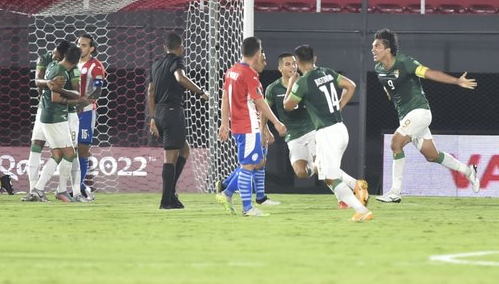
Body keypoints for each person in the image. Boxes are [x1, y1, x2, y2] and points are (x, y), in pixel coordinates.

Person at [372, 28, 480, 203]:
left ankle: (394, 192)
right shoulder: (378, 69)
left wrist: (456, 81)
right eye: (373, 46)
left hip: (420, 112)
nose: (373, 49)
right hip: (406, 116)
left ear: (388, 49)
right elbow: (389, 87)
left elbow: (430, 73)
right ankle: (469, 171)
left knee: (396, 142)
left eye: (377, 46)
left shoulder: (405, 62)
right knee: (432, 156)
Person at [266, 52, 369, 208]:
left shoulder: (304, 82)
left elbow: (288, 106)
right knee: (302, 172)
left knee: (324, 169)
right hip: (293, 136)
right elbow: (264, 109)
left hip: (313, 130)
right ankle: (352, 185)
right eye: (287, 64)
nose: (292, 67)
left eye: (294, 63)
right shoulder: (273, 89)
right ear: (279, 67)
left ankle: (346, 197)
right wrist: (266, 128)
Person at [217, 36, 287, 217]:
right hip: (248, 127)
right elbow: (260, 102)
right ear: (257, 54)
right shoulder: (249, 74)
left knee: (252, 163)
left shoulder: (231, 71)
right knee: (249, 166)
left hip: (238, 126)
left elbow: (225, 98)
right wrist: (276, 123)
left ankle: (226, 193)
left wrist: (224, 123)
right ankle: (247, 208)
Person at [147, 32, 208, 209]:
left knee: (184, 150)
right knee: (170, 157)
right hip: (172, 111)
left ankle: (171, 193)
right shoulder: (177, 61)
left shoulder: (156, 64)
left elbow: (150, 91)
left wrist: (152, 118)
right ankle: (166, 200)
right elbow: (180, 78)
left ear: (163, 47)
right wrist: (201, 92)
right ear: (180, 47)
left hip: (159, 112)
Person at [30, 45, 81, 202]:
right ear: (77, 60)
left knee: (58, 154)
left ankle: (38, 190)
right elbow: (56, 98)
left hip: (48, 116)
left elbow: (46, 86)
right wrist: (79, 99)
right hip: (54, 117)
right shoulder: (60, 72)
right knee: (70, 153)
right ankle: (59, 190)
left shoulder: (53, 66)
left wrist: (76, 96)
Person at [22, 40, 71, 202]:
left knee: (60, 152)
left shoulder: (66, 67)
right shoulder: (44, 59)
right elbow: (37, 81)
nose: (54, 55)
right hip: (44, 110)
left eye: (57, 53)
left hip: (57, 113)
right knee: (37, 147)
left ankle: (43, 189)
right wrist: (49, 84)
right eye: (55, 52)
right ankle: (33, 190)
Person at [76, 34, 107, 200]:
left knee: (82, 149)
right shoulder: (74, 63)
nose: (80, 47)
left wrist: (82, 104)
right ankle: (74, 187)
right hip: (70, 112)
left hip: (86, 112)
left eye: (84, 45)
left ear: (91, 48)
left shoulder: (95, 65)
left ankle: (80, 187)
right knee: (69, 150)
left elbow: (98, 91)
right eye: (79, 44)